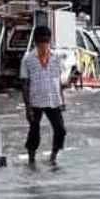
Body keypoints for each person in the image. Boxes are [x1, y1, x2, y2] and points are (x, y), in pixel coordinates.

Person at [20, 25, 67, 166]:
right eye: (41, 42)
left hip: (54, 99)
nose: (43, 45)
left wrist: (62, 99)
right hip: (35, 101)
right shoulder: (27, 59)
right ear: (35, 42)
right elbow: (24, 85)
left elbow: (57, 79)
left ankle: (53, 156)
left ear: (49, 41)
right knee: (34, 132)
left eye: (46, 41)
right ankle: (31, 159)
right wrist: (27, 108)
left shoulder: (56, 58)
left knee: (61, 130)